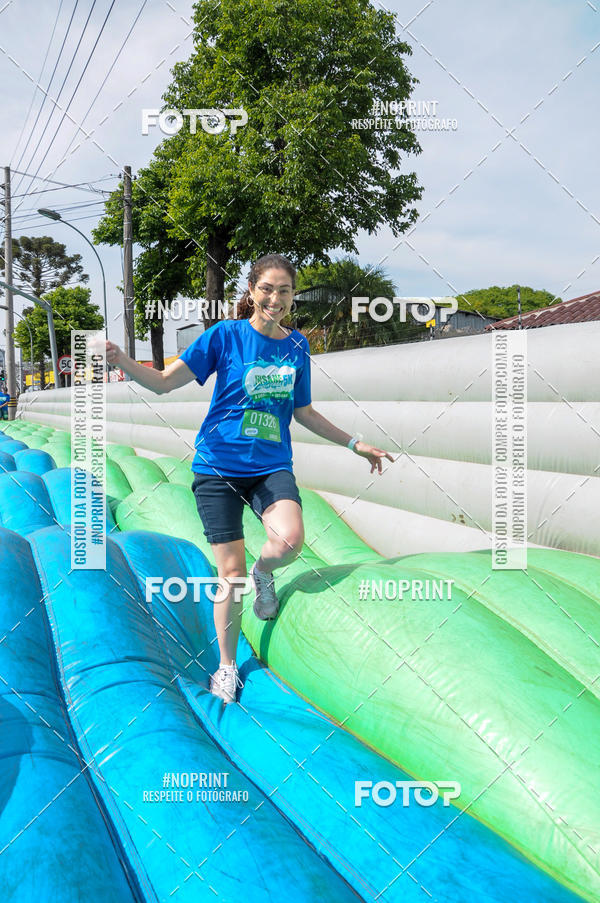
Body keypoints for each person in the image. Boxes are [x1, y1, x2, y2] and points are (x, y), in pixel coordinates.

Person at [105, 253, 393, 704]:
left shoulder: (297, 347)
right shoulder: (224, 336)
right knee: (230, 575)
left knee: (290, 541)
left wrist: (355, 444)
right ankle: (225, 664)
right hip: (218, 467)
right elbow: (163, 383)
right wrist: (123, 358)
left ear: (293, 296)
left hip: (270, 466)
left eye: (284, 291)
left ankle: (266, 573)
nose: (275, 298)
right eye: (267, 289)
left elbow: (304, 413)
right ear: (252, 291)